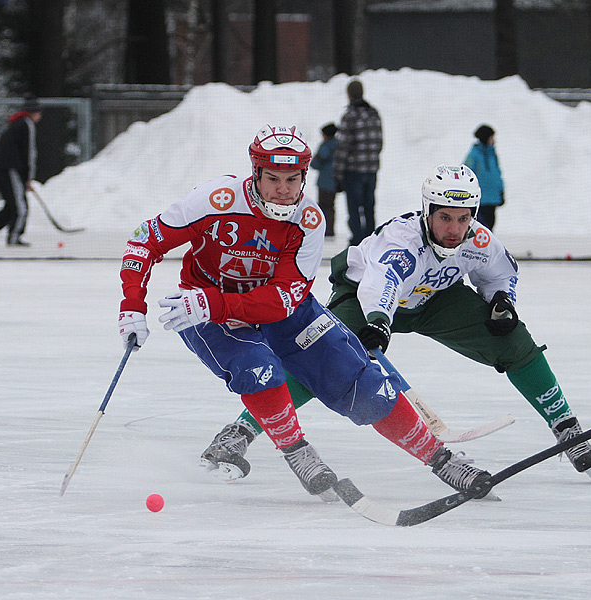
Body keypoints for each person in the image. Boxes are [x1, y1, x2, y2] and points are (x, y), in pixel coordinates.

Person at [117, 125, 493, 501]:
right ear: (256, 173)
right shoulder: (213, 199)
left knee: (363, 382)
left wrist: (214, 301)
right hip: (203, 313)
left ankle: (442, 459)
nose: (284, 190)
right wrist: (132, 304)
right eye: (274, 179)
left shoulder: (309, 220)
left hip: (275, 310)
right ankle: (298, 453)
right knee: (258, 369)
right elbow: (144, 240)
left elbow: (283, 298)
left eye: (293, 180)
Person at [202, 164, 591, 483]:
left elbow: (500, 273)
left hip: (434, 300)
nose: (453, 229)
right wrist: (377, 323)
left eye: (463, 219)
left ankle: (566, 427)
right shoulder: (402, 241)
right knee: (319, 360)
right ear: (427, 212)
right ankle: (239, 432)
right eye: (444, 218)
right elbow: (383, 282)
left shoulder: (478, 241)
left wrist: (501, 302)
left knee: (513, 339)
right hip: (364, 299)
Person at [0, 94, 42, 247]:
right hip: (10, 169)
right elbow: (29, 153)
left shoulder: (17, 123)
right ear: (36, 113)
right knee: (20, 206)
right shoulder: (27, 124)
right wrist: (29, 177)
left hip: (3, 167)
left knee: (11, 204)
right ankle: (14, 237)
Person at [334, 79, 383, 245]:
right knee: (369, 206)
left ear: (349, 95)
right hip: (371, 169)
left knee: (354, 208)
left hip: (353, 170)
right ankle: (371, 239)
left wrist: (338, 174)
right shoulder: (374, 114)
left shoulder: (350, 116)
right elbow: (379, 143)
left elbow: (343, 147)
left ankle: (357, 240)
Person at [463, 124, 505, 230]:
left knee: (490, 225)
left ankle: (487, 246)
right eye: (491, 138)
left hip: (492, 198)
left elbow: (497, 174)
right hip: (480, 199)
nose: (493, 140)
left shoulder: (492, 154)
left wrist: (501, 191)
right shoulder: (474, 155)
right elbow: (465, 173)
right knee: (480, 227)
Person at [311, 122, 338, 238]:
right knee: (330, 206)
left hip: (325, 182)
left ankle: (324, 230)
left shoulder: (326, 146)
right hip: (336, 181)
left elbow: (314, 164)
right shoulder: (340, 145)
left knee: (323, 206)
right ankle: (330, 229)